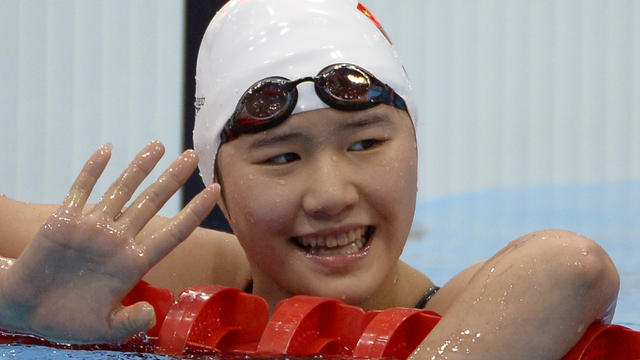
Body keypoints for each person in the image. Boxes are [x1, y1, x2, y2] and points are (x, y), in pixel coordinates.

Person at [0, 0, 620, 358]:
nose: (331, 197)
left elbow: (571, 265)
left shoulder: (451, 314)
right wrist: (19, 308)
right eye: (281, 158)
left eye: (368, 143)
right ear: (220, 188)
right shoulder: (189, 270)